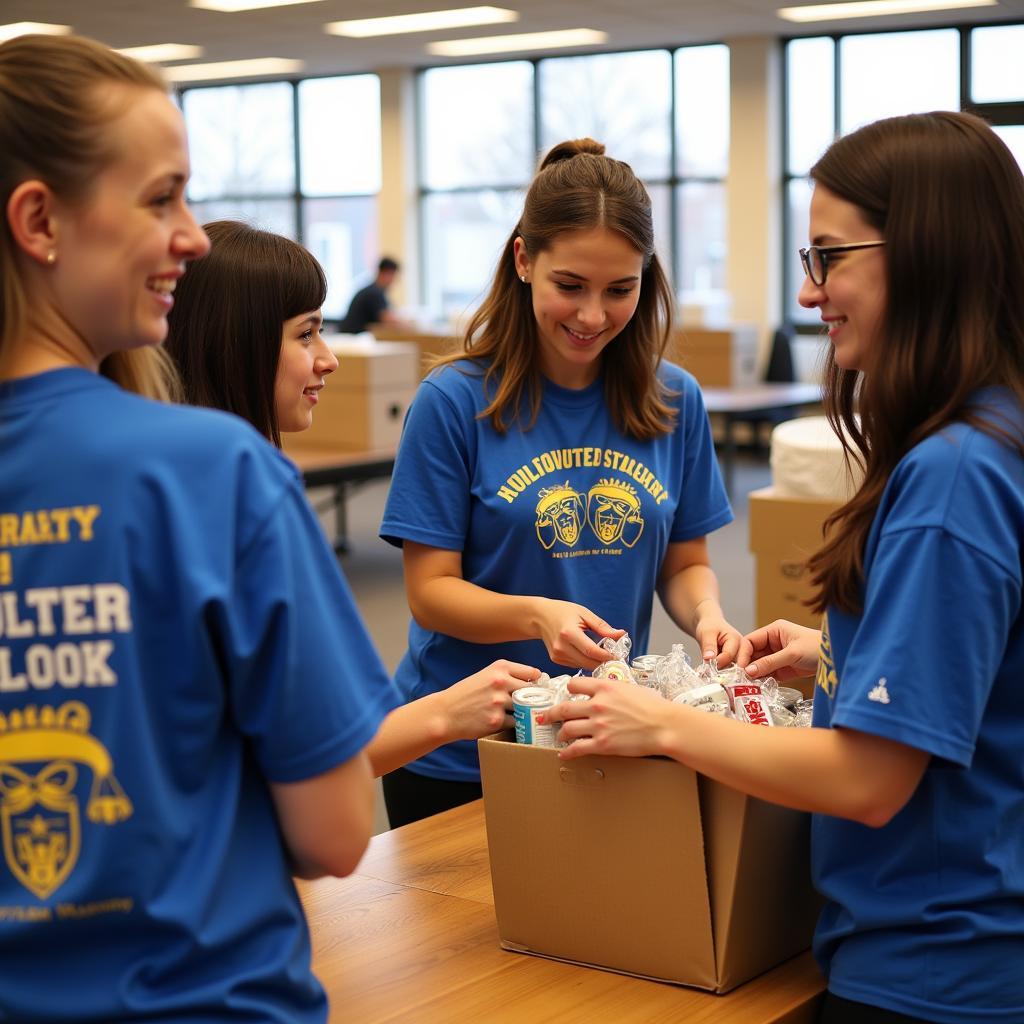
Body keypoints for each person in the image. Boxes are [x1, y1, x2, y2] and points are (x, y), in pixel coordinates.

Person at [545, 111, 1024, 1024]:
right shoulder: (998, 430)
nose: (810, 296)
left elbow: (867, 781)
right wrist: (841, 653)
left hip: (933, 967)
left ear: (924, 253)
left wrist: (662, 726)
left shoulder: (953, 474)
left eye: (829, 258)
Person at [0, 34, 397, 1023]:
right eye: (160, 198)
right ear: (40, 220)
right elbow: (336, 833)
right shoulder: (212, 474)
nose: (195, 236)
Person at [380, 138, 744, 827]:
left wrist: (709, 618)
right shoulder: (454, 400)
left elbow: (686, 562)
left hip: (597, 735)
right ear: (523, 260)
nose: (592, 316)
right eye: (569, 286)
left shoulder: (675, 399)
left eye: (620, 290)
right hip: (463, 754)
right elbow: (431, 593)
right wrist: (537, 613)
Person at [165, 219, 541, 778]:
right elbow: (299, 756)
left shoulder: (176, 487)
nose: (328, 358)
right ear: (237, 342)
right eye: (304, 334)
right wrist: (447, 713)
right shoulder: (236, 505)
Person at [337, 255, 406, 334]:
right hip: (354, 337)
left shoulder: (374, 290)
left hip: (355, 335)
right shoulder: (374, 293)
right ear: (386, 273)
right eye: (394, 276)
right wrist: (407, 323)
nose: (394, 281)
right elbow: (387, 319)